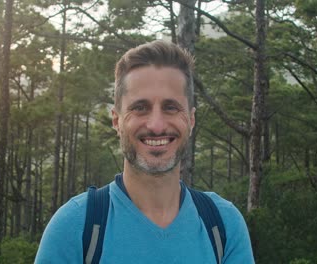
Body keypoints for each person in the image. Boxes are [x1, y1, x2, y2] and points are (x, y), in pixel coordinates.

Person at [35, 40, 254, 263]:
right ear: (116, 120)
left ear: (191, 119)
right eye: (140, 108)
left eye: (171, 107)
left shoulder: (223, 225)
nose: (156, 126)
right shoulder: (75, 227)